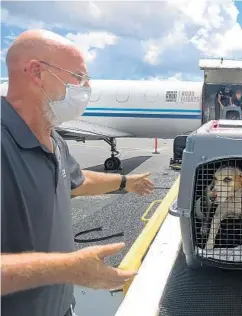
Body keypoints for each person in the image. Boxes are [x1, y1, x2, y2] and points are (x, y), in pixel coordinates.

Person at [1, 29, 156, 316]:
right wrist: (68, 268)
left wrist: (126, 182)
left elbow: (75, 180)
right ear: (37, 71)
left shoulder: (52, 137)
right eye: (78, 78)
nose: (84, 88)